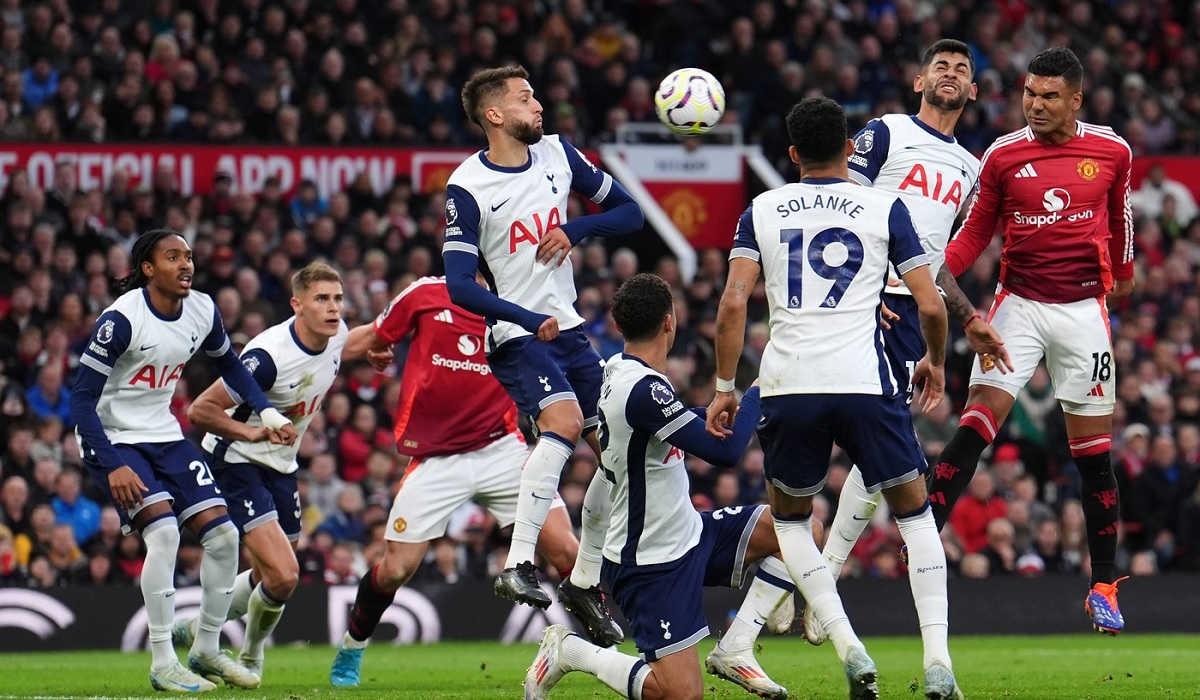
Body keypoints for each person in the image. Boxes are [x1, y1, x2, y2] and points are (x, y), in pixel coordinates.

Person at [707, 97, 961, 700]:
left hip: (790, 385)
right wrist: (937, 362)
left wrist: (724, 389)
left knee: (793, 522)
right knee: (916, 516)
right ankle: (938, 664)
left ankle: (851, 648)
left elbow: (733, 304)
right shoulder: (884, 206)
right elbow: (930, 303)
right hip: (866, 383)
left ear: (791, 154)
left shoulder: (761, 209)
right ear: (851, 149)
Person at [931, 46, 1136, 635]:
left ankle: (1102, 586)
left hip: (1082, 313)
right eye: (1029, 94)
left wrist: (1122, 272)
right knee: (973, 427)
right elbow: (975, 233)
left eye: (1049, 96)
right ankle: (920, 539)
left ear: (1076, 100)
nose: (1035, 105)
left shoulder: (1111, 150)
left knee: (1093, 457)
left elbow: (1119, 214)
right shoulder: (1002, 154)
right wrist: (934, 272)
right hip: (1016, 305)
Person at [328, 275, 618, 687]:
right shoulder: (425, 293)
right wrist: (313, 351)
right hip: (435, 458)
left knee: (566, 550)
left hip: (501, 449)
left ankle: (608, 652)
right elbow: (370, 337)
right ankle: (351, 651)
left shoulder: (519, 300)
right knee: (395, 569)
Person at [813, 39, 1011, 642]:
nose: (950, 75)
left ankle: (823, 576)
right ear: (920, 81)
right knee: (859, 444)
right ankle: (820, 574)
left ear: (973, 92)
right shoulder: (887, 132)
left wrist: (966, 316)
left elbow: (934, 257)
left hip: (914, 311)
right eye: (940, 67)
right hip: (863, 302)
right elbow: (845, 205)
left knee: (881, 450)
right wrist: (864, 293)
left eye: (962, 71)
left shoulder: (971, 170)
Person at [524, 273, 795, 700]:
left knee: (797, 531)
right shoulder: (642, 389)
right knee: (680, 695)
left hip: (688, 533)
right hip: (650, 560)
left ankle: (735, 647)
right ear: (670, 322)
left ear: (620, 326)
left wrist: (705, 414)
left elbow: (663, 426)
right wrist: (760, 390)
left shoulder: (618, 369)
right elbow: (724, 454)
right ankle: (572, 651)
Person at [442, 65, 643, 622]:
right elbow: (459, 285)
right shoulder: (467, 187)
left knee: (618, 456)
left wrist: (575, 230)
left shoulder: (558, 153)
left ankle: (584, 580)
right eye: (525, 98)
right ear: (494, 115)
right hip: (516, 334)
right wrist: (525, 317)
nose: (539, 105)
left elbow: (631, 213)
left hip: (570, 331)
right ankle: (518, 562)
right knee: (564, 423)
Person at [69, 229, 296, 692]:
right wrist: (112, 464)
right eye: (173, 257)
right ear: (148, 269)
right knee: (166, 532)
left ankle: (207, 648)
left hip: (164, 434)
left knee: (224, 536)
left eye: (189, 256)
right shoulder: (123, 320)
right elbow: (81, 401)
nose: (186, 264)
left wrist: (268, 411)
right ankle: (162, 661)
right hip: (113, 438)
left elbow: (230, 365)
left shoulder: (202, 309)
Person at [169, 263, 370, 681]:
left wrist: (376, 348)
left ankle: (197, 629)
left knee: (267, 576)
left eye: (337, 298)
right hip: (236, 459)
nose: (334, 308)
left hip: (281, 466)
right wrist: (254, 432)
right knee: (284, 574)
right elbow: (200, 410)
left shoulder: (335, 335)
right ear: (297, 305)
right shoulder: (267, 357)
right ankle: (249, 657)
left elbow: (352, 343)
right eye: (321, 299)